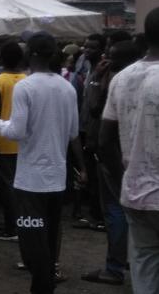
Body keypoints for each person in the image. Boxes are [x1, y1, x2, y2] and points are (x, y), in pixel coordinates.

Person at [0, 33, 87, 294]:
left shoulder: (27, 86)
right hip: (57, 176)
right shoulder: (66, 87)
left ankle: (42, 287)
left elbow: (17, 131)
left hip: (31, 180)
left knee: (32, 242)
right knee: (50, 236)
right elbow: (73, 133)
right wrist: (82, 167)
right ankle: (45, 284)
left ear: (31, 53)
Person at [99, 7, 159, 294]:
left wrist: (125, 173)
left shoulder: (121, 78)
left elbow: (104, 137)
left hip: (134, 192)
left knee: (144, 264)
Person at [81, 40, 140, 286]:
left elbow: (94, 108)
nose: (106, 58)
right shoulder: (141, 79)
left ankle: (114, 267)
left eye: (111, 55)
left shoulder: (114, 79)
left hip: (113, 155)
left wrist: (95, 78)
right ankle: (129, 260)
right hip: (131, 154)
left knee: (115, 211)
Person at [0, 41, 27, 242]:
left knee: (8, 186)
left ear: (1, 60)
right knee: (21, 186)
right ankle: (21, 223)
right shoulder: (27, 79)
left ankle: (13, 228)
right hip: (25, 142)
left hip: (4, 140)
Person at [75, 33, 108, 230]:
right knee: (89, 174)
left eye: (93, 47)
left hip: (97, 130)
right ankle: (93, 214)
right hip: (85, 128)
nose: (87, 50)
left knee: (97, 175)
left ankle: (99, 217)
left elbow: (97, 106)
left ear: (101, 49)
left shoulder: (103, 71)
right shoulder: (86, 68)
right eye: (86, 47)